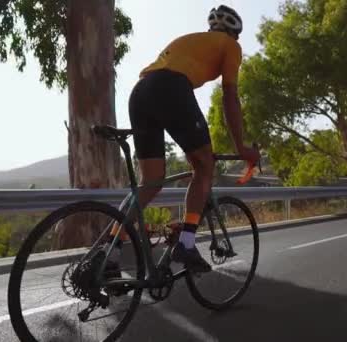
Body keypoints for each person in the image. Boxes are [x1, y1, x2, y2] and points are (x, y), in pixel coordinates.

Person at [104, 5, 259, 273]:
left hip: (140, 92)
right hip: (171, 89)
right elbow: (230, 97)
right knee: (204, 166)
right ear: (235, 33)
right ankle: (186, 243)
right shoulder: (230, 46)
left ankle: (110, 254)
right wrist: (241, 147)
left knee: (150, 183)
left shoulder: (188, 40)